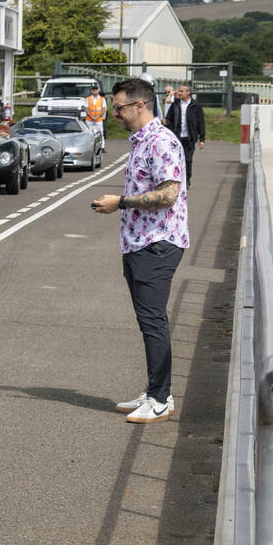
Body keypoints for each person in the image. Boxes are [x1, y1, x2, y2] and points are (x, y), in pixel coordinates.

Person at [92, 78, 189, 424]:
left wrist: (120, 203)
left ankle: (161, 399)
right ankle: (154, 391)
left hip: (157, 243)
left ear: (139, 106)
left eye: (118, 107)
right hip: (138, 242)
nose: (114, 113)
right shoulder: (141, 141)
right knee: (148, 321)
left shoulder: (162, 142)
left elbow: (168, 194)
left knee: (153, 321)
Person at [164, 83, 206, 185]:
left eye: (182, 91)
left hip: (189, 138)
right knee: (175, 160)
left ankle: (186, 179)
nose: (179, 92)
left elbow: (201, 123)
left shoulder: (196, 106)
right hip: (176, 137)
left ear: (188, 92)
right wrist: (165, 123)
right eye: (179, 90)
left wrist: (202, 139)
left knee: (187, 160)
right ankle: (176, 180)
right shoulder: (176, 104)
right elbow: (169, 118)